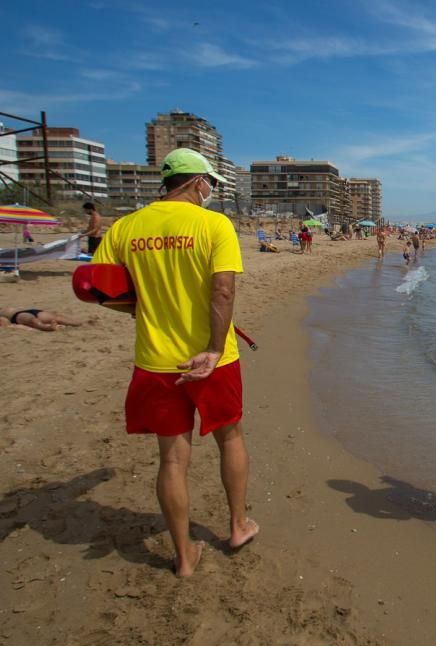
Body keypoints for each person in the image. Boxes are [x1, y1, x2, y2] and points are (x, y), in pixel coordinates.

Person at [91, 147, 258, 577]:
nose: (210, 191)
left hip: (156, 361)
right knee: (231, 438)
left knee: (171, 460)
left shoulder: (126, 227)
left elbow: (96, 288)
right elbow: (222, 291)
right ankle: (238, 525)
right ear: (195, 182)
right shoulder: (213, 224)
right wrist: (216, 348)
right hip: (213, 360)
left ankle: (184, 557)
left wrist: (140, 310)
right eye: (210, 184)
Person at [0, 307, 81, 331]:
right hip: (17, 315)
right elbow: (6, 323)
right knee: (34, 321)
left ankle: (78, 323)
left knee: (57, 317)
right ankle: (48, 327)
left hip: (30, 310)